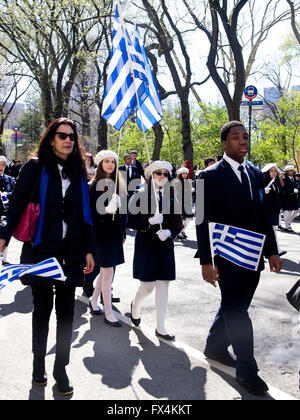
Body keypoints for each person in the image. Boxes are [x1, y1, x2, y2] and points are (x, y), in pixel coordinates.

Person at [0, 118, 95, 396]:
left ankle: (60, 368)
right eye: (61, 135)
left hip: (72, 250)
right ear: (51, 139)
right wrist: (3, 236)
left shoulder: (79, 171)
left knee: (67, 314)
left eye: (72, 137)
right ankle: (38, 365)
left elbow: (85, 213)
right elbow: (16, 202)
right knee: (42, 310)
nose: (68, 140)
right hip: (41, 248)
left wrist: (89, 248)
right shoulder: (35, 166)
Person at [196, 121, 282, 395]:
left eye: (245, 137)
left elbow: (264, 217)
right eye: (236, 137)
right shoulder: (207, 176)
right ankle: (247, 370)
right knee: (237, 310)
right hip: (225, 255)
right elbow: (200, 220)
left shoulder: (257, 174)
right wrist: (206, 261)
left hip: (253, 254)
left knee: (236, 304)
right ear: (224, 143)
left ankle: (215, 346)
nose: (242, 141)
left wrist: (272, 250)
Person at [129, 161, 183, 341]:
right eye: (158, 173)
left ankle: (161, 326)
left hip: (165, 245)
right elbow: (130, 220)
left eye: (165, 174)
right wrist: (149, 222)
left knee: (163, 284)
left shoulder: (171, 194)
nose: (162, 177)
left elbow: (178, 223)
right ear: (150, 176)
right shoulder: (140, 193)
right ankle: (136, 306)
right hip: (147, 245)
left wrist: (169, 232)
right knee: (148, 286)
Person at [88, 150, 127, 327]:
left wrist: (122, 233)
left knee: (105, 272)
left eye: (113, 161)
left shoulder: (119, 185)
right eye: (107, 161)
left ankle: (94, 300)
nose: (110, 164)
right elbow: (88, 214)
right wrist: (105, 210)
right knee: (108, 272)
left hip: (114, 234)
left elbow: (124, 214)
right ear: (100, 164)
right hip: (100, 234)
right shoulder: (92, 185)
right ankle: (109, 313)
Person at [262, 163, 286, 256]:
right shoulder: (263, 182)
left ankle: (275, 249)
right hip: (266, 211)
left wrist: (283, 208)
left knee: (273, 230)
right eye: (271, 171)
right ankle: (275, 250)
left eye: (275, 171)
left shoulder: (277, 182)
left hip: (274, 211)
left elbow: (280, 197)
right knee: (271, 231)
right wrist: (264, 191)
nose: (274, 173)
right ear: (267, 172)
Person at [0, 155, 16, 264]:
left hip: (5, 211)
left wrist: (7, 194)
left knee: (5, 234)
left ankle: (5, 259)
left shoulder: (9, 180)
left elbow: (16, 193)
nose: (1, 167)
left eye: (3, 165)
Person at [173, 167, 194, 240]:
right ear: (180, 174)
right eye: (183, 173)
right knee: (181, 219)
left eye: (186, 173)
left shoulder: (188, 181)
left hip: (187, 202)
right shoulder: (177, 182)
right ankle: (179, 233)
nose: (185, 175)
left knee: (188, 218)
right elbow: (176, 193)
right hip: (180, 202)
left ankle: (182, 231)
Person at [281, 165, 299, 233]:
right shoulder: (284, 179)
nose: (292, 171)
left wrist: (296, 189)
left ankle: (288, 224)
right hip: (286, 198)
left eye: (292, 170)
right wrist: (292, 190)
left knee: (296, 210)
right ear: (287, 172)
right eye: (290, 170)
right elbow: (284, 189)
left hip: (293, 198)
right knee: (288, 213)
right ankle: (287, 226)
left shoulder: (293, 178)